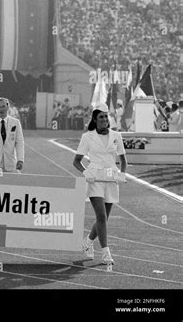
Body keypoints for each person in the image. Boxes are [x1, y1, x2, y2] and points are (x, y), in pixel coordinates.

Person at [73, 103, 127, 265]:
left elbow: (123, 159)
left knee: (104, 219)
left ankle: (88, 242)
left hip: (111, 179)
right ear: (95, 120)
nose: (104, 119)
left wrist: (122, 174)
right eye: (101, 117)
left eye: (106, 116)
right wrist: (86, 173)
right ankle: (105, 253)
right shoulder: (87, 137)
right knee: (101, 217)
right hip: (95, 179)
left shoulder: (116, 136)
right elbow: (76, 161)